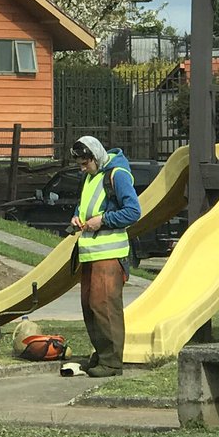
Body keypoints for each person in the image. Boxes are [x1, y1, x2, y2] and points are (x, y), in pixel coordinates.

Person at [69, 135, 141, 378]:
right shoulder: (91, 176)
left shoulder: (117, 174)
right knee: (90, 306)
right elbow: (85, 206)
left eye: (84, 163)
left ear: (96, 157)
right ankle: (101, 356)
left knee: (105, 307)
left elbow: (133, 211)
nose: (82, 168)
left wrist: (104, 220)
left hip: (110, 254)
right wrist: (76, 216)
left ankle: (111, 363)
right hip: (90, 253)